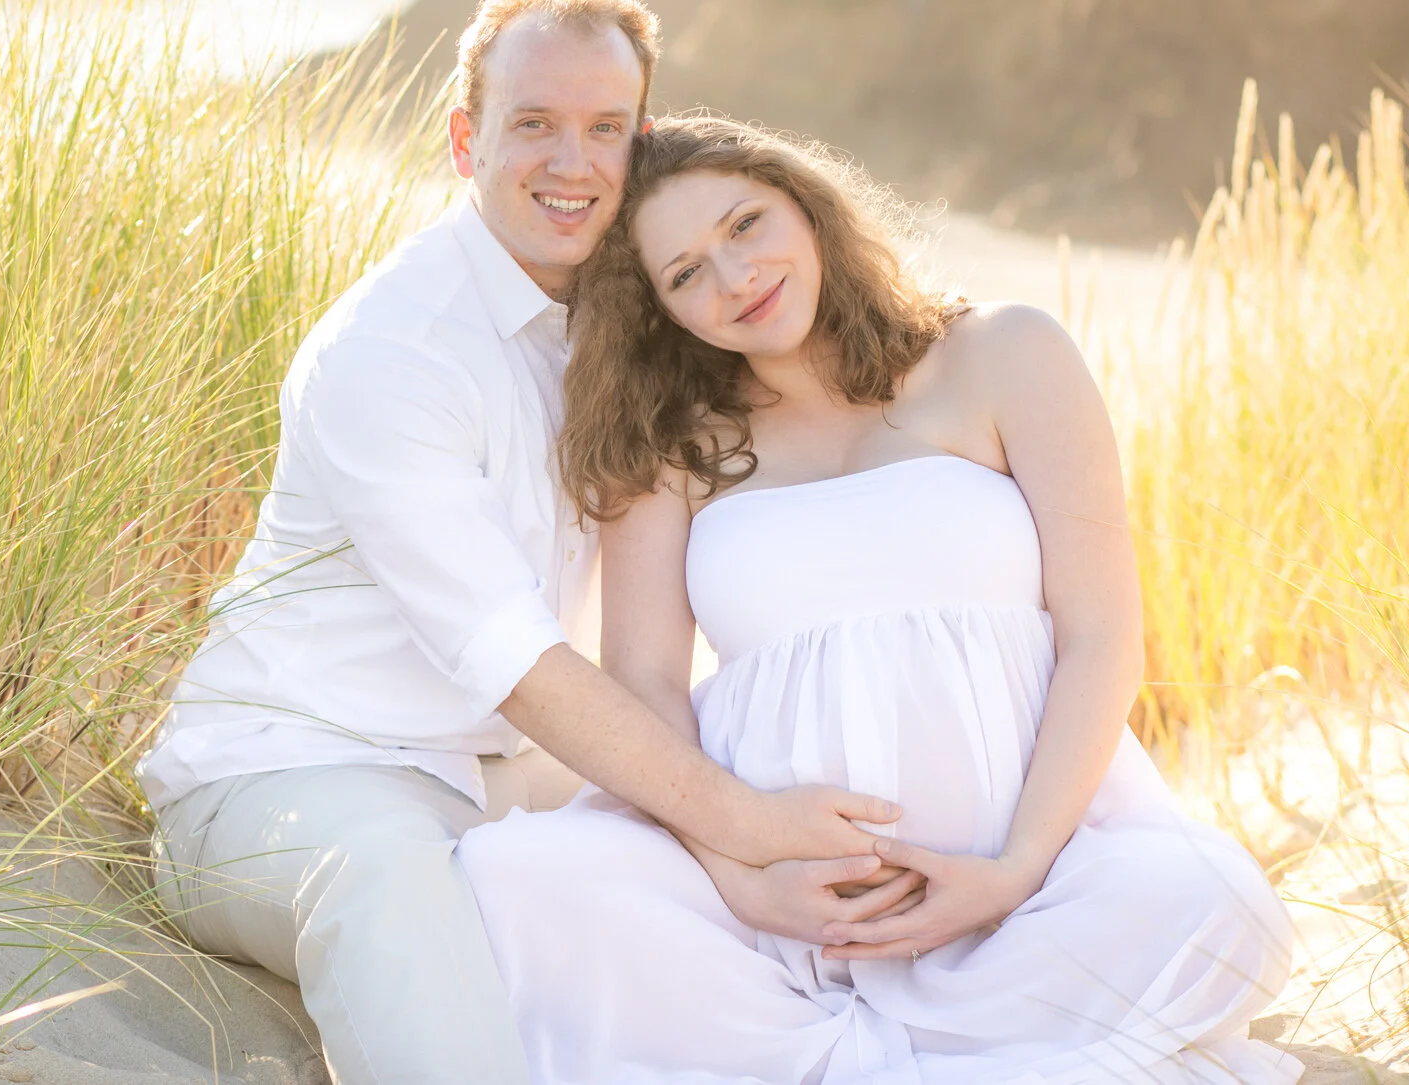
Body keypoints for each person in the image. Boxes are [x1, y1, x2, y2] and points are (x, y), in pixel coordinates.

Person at [137, 0, 905, 1085]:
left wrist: (749, 841)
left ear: (636, 144)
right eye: (531, 124)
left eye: (602, 129)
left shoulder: (639, 318)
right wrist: (740, 821)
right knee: (387, 878)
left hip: (507, 780)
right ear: (465, 138)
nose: (569, 161)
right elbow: (511, 659)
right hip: (289, 776)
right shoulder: (391, 350)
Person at [458, 115, 1300, 1084]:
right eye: (684, 273)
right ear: (660, 311)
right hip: (774, 920)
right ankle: (887, 1047)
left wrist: (1012, 869)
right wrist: (744, 877)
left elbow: (1102, 634)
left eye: (743, 224)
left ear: (804, 204)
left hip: (1034, 888)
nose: (732, 278)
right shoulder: (669, 446)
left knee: (1212, 900)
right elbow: (644, 680)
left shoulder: (1001, 354)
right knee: (514, 880)